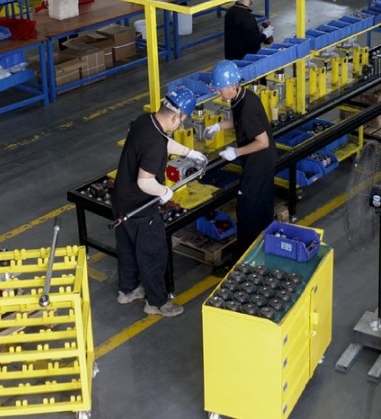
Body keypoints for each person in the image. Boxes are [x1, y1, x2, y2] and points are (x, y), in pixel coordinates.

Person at [113, 85, 208, 317]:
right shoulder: (155, 144)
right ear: (176, 116)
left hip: (121, 201)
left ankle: (128, 290)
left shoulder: (145, 121)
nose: (181, 125)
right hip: (141, 207)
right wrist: (163, 191)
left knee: (127, 248)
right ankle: (156, 303)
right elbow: (145, 182)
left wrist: (189, 153)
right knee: (153, 253)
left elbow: (162, 140)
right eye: (182, 121)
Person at [205, 60, 277, 273]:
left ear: (230, 86)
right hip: (265, 162)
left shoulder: (246, 106)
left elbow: (262, 141)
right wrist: (219, 125)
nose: (218, 93)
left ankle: (240, 264)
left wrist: (235, 152)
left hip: (258, 165)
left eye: (219, 89)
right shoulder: (242, 97)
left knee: (246, 213)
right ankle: (264, 252)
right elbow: (237, 121)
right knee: (263, 209)